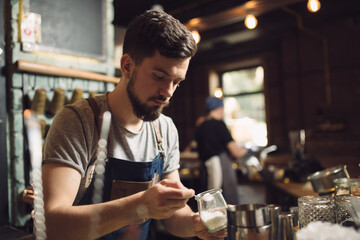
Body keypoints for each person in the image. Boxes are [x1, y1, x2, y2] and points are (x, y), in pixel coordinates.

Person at [41, 10, 227, 240]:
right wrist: (140, 206)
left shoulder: (165, 129)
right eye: (159, 76)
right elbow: (52, 225)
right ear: (127, 65)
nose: (168, 92)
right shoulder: (78, 122)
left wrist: (194, 224)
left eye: (176, 82)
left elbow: (172, 214)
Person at [194, 97, 249, 204]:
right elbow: (236, 152)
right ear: (220, 109)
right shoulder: (219, 125)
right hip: (221, 168)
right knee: (226, 202)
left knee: (209, 202)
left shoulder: (200, 127)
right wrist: (246, 149)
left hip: (204, 170)